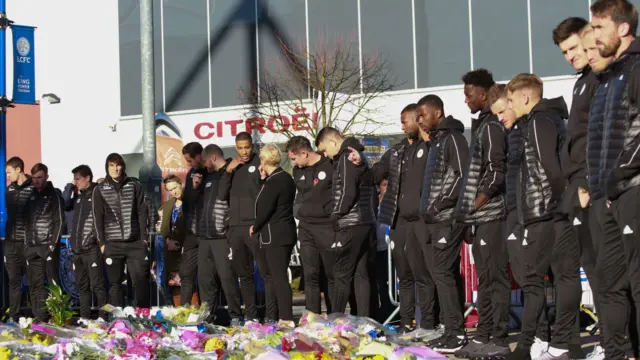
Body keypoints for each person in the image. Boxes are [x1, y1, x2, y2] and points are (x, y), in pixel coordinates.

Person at [348, 104, 436, 332]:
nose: (402, 125)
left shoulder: (429, 147)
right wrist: (361, 164)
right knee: (404, 275)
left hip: (421, 220)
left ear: (418, 119)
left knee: (422, 274)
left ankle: (428, 323)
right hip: (398, 220)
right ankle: (406, 323)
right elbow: (374, 175)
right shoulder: (396, 152)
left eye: (405, 120)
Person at [505, 74, 568, 360]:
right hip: (537, 213)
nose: (509, 105)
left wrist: (559, 203)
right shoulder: (533, 122)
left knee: (534, 279)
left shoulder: (541, 121)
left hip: (545, 213)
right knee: (535, 279)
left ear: (525, 97)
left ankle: (531, 344)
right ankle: (538, 342)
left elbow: (551, 168)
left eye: (511, 99)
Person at [590, 1, 640, 358]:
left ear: (622, 29)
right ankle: (617, 353)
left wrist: (620, 174)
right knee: (607, 281)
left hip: (633, 190)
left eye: (598, 27)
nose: (593, 36)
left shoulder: (637, 67)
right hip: (612, 195)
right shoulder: (609, 78)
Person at [455, 69, 511, 360]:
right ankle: (484, 334)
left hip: (494, 216)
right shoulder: (483, 125)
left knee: (496, 278)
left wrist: (473, 207)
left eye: (468, 94)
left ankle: (499, 338)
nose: (465, 100)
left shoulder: (491, 127)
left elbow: (496, 172)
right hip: (481, 218)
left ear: (483, 94)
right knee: (486, 279)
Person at [415, 95, 469, 353]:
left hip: (448, 218)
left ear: (437, 112)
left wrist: (439, 205)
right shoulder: (436, 142)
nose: (420, 122)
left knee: (442, 272)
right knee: (443, 273)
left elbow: (463, 175)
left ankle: (456, 334)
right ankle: (451, 330)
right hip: (436, 220)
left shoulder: (453, 139)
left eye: (423, 115)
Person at [315, 127, 376, 316]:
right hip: (365, 221)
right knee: (360, 273)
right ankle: (364, 319)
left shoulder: (344, 158)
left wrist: (335, 216)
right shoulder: (357, 155)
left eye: (324, 149)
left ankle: (335, 318)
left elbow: (347, 192)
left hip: (351, 222)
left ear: (333, 142)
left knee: (340, 273)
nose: (325, 155)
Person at [92, 153, 150, 308]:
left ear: (123, 166)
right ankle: (118, 320)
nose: (115, 169)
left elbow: (142, 212)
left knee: (141, 281)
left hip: (135, 243)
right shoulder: (99, 189)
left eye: (118, 165)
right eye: (111, 165)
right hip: (112, 244)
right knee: (115, 284)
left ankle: (142, 317)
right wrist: (102, 243)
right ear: (107, 167)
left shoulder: (134, 185)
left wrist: (144, 238)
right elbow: (97, 218)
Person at [286, 136, 335, 315]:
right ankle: (312, 316)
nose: (294, 163)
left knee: (331, 275)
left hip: (327, 227)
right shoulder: (298, 171)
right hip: (306, 228)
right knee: (310, 274)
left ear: (305, 153)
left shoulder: (329, 166)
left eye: (294, 158)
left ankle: (334, 315)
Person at [250, 144, 297, 327]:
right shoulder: (284, 177)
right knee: (279, 276)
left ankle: (286, 317)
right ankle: (282, 315)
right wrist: (263, 180)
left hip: (275, 234)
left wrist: (255, 226)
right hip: (284, 232)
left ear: (264, 160)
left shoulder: (275, 181)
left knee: (278, 277)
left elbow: (264, 207)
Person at [196, 144, 244, 324]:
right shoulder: (208, 176)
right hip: (205, 237)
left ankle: (236, 316)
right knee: (205, 280)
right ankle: (207, 316)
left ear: (214, 158)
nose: (204, 164)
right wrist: (196, 188)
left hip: (222, 236)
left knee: (227, 278)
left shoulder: (233, 171)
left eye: (206, 160)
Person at [219, 132, 262, 322]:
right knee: (244, 275)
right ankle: (250, 316)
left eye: (247, 147)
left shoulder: (260, 163)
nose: (244, 152)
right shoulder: (231, 167)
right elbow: (221, 195)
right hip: (235, 228)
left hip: (254, 226)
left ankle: (272, 314)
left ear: (252, 146)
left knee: (266, 273)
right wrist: (228, 172)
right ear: (236, 147)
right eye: (240, 148)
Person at [24, 163, 64, 322]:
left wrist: (52, 245)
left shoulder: (54, 195)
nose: (36, 181)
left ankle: (58, 316)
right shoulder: (30, 196)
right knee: (35, 284)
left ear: (46, 176)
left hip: (48, 246)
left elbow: (59, 222)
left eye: (39, 178)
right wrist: (27, 244)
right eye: (33, 178)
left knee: (53, 283)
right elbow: (26, 222)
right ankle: (39, 317)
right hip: (32, 246)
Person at [69, 165, 107, 320]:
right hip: (77, 250)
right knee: (82, 286)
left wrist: (98, 241)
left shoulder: (96, 194)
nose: (75, 182)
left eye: (78, 179)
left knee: (98, 285)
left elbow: (100, 220)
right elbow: (66, 205)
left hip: (91, 248)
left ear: (87, 178)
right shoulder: (79, 197)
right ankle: (84, 317)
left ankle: (104, 316)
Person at [4, 156, 33, 321]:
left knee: (33, 281)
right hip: (11, 242)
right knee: (13, 281)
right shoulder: (10, 189)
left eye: (9, 172)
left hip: (27, 243)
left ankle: (35, 315)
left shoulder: (32, 188)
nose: (7, 176)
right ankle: (13, 316)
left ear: (18, 170)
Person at [180, 142, 205, 304]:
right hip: (191, 234)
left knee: (205, 276)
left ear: (198, 157)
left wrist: (198, 188)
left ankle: (208, 311)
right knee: (186, 274)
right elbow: (187, 203)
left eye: (189, 160)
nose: (188, 164)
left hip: (206, 233)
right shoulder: (191, 174)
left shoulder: (209, 173)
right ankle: (184, 309)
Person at [159, 175, 186, 306]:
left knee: (189, 283)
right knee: (175, 284)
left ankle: (194, 314)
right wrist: (168, 240)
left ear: (181, 184)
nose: (174, 192)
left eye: (175, 187)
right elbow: (164, 227)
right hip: (172, 252)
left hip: (188, 249)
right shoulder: (169, 204)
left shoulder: (190, 201)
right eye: (170, 190)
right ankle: (179, 314)